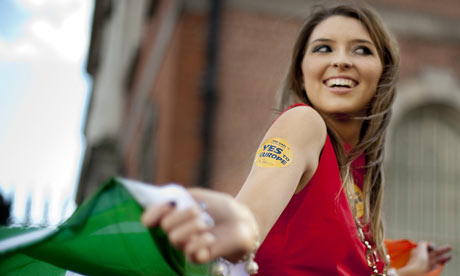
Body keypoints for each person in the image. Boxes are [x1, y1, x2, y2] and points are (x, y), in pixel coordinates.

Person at [141, 3, 451, 275]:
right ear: (302, 73)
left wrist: (408, 271)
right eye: (323, 48)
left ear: (383, 72)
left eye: (361, 49)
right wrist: (234, 224)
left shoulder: (360, 177)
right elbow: (250, 217)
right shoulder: (303, 124)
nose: (341, 60)